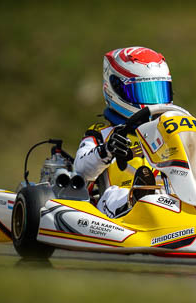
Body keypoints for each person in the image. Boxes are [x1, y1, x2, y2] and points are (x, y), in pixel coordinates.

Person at [74, 46, 182, 218]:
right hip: (117, 209)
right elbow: (80, 169)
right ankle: (140, 199)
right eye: (146, 92)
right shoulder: (102, 134)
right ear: (115, 89)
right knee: (115, 195)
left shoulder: (172, 131)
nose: (155, 102)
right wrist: (106, 150)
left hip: (169, 200)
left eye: (160, 91)